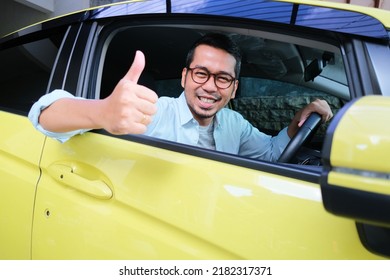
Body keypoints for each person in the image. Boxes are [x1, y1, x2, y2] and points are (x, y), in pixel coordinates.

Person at [29, 33, 333, 162]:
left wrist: (298, 123)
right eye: (201, 73)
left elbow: (270, 153)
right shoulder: (156, 111)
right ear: (185, 76)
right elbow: (43, 115)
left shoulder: (234, 123)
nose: (210, 86)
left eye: (223, 78)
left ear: (234, 88)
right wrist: (102, 112)